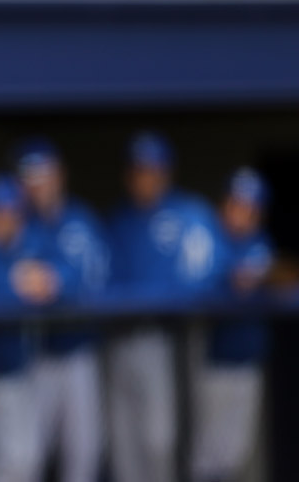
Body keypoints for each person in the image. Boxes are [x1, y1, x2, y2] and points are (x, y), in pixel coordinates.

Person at [105, 131, 222, 482]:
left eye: (153, 170)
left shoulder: (190, 214)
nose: (146, 178)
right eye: (139, 170)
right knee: (122, 440)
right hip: (120, 337)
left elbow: (210, 271)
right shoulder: (118, 220)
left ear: (167, 172)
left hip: (174, 339)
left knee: (162, 440)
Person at [0, 174, 67, 482]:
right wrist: (17, 284)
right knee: (7, 461)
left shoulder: (28, 241)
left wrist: (50, 279)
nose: (2, 219)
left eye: (8, 211)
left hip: (27, 367)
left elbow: (67, 272)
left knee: (30, 459)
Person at [13, 138, 107, 482]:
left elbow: (96, 274)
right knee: (30, 454)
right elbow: (13, 276)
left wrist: (56, 280)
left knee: (83, 452)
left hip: (80, 350)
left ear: (59, 175)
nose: (38, 184)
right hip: (36, 353)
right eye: (31, 177)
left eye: (44, 175)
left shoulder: (80, 219)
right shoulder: (18, 223)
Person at [191, 167, 274, 482]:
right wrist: (232, 278)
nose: (243, 214)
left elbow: (267, 273)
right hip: (211, 359)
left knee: (237, 450)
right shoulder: (208, 241)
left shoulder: (260, 243)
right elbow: (202, 282)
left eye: (250, 208)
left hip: (248, 359)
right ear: (224, 205)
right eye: (237, 205)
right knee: (208, 451)